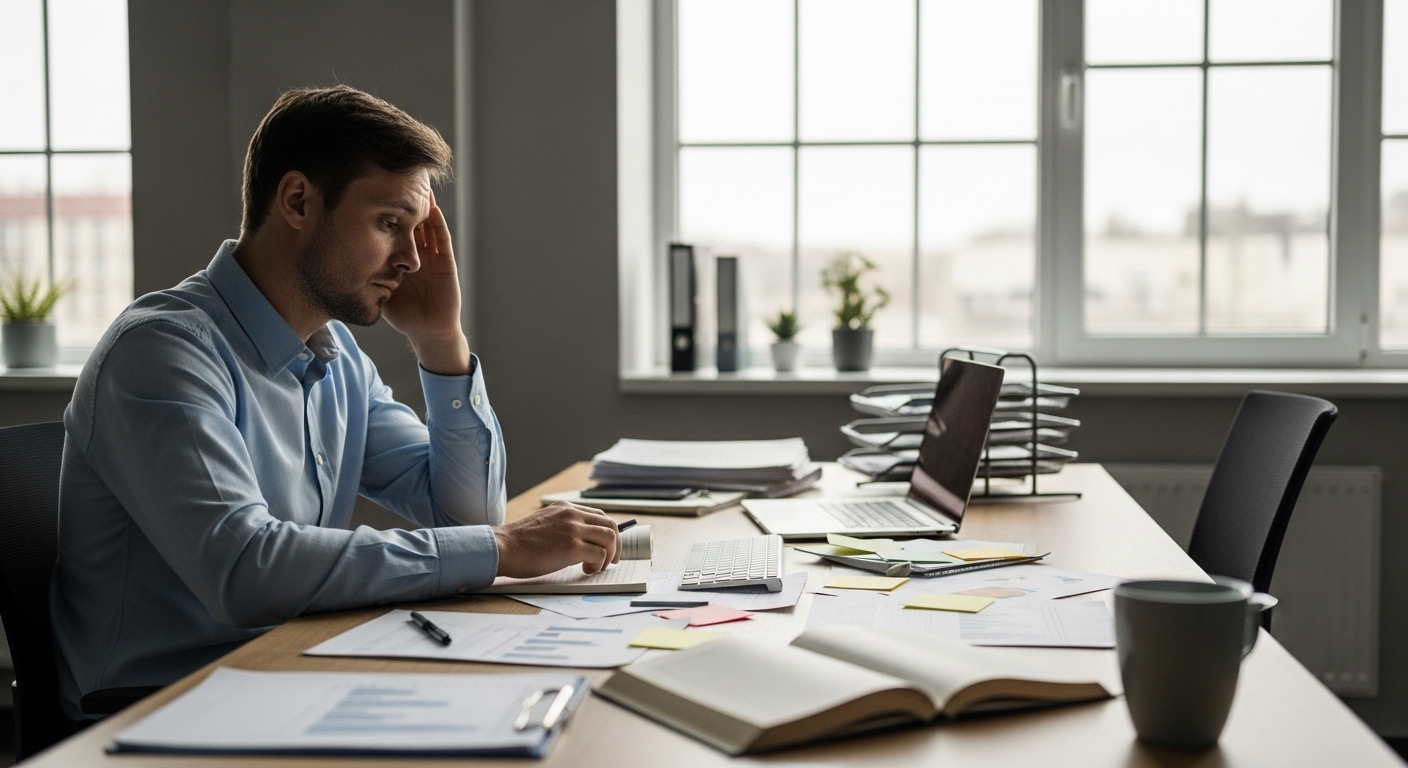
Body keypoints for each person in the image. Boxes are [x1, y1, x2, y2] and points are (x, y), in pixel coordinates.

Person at [50, 85, 621, 719]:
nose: (409, 259)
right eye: (389, 224)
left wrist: (440, 340)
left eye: (416, 231)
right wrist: (503, 548)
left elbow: (461, 512)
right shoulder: (162, 352)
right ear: (297, 201)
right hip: (161, 709)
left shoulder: (336, 356)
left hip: (295, 671)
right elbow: (246, 570)